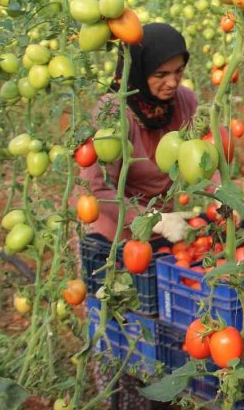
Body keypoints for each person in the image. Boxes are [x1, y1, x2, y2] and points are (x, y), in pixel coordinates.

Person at [80, 22, 200, 244]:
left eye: (179, 70)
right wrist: (154, 220)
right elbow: (97, 189)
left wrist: (222, 196)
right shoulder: (113, 114)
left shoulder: (185, 102)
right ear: (139, 70)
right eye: (161, 74)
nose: (172, 82)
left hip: (162, 233)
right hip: (114, 237)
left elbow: (203, 155)